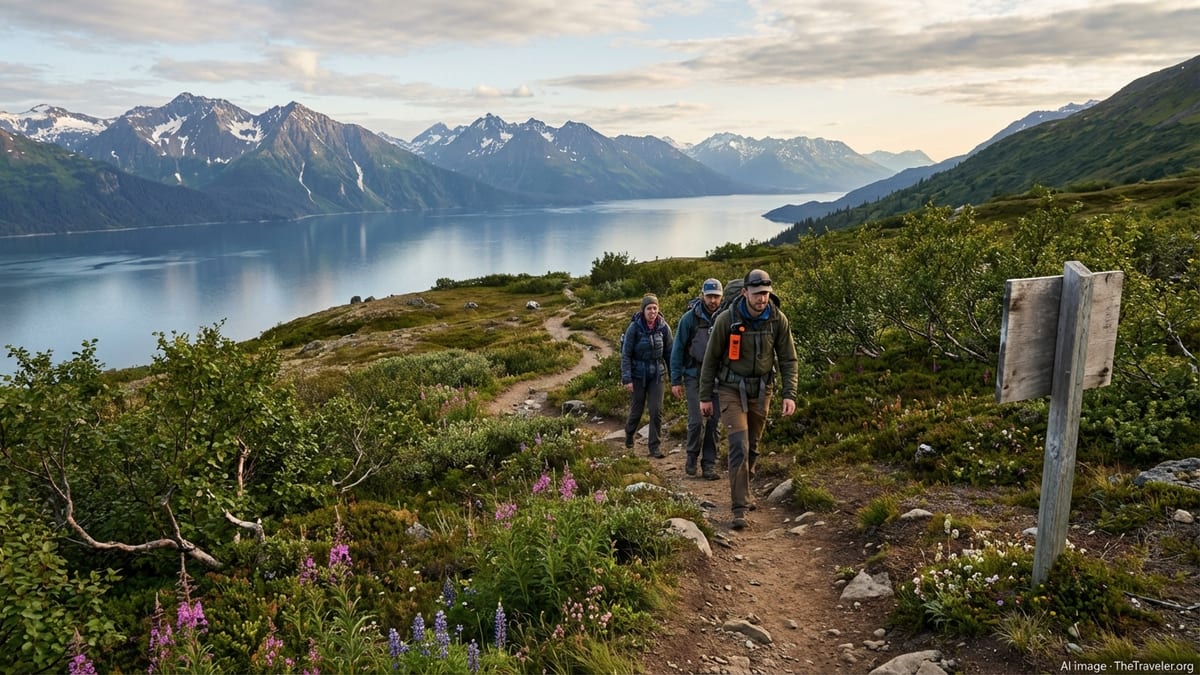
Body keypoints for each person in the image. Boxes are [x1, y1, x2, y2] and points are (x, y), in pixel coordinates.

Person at [699, 269, 798, 530]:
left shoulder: (778, 320)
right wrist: (705, 397)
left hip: (762, 390)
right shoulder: (726, 320)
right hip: (731, 390)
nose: (762, 299)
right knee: (739, 446)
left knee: (753, 445)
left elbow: (788, 359)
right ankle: (739, 507)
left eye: (766, 294)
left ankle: (745, 484)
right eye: (757, 294)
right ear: (745, 293)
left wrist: (789, 394)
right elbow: (710, 361)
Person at [670, 278, 724, 480]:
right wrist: (675, 380)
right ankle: (691, 457)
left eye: (716, 297)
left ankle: (708, 464)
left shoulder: (725, 318)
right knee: (696, 421)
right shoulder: (689, 319)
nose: (713, 301)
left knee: (713, 423)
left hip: (718, 378)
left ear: (722, 297)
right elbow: (677, 350)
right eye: (709, 296)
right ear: (702, 295)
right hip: (693, 375)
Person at [621, 293, 672, 458]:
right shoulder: (634, 328)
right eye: (649, 308)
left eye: (655, 308)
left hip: (657, 374)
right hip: (637, 375)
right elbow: (626, 354)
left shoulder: (664, 327)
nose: (652, 311)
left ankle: (654, 447)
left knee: (656, 410)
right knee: (637, 409)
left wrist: (675, 378)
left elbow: (670, 354)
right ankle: (629, 433)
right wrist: (627, 378)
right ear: (643, 310)